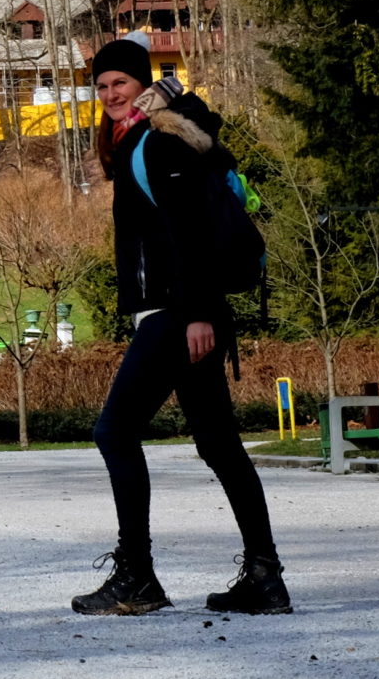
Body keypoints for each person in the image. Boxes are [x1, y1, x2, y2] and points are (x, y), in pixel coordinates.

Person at [71, 36, 290, 616]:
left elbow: (191, 233)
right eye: (101, 87)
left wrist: (195, 313)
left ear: (143, 85)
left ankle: (138, 577)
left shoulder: (159, 141)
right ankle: (264, 580)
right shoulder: (142, 140)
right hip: (186, 309)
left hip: (179, 312)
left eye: (120, 83)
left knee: (114, 433)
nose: (110, 94)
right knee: (218, 442)